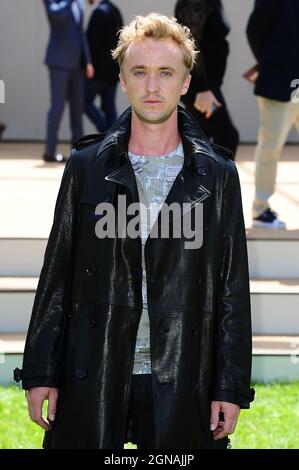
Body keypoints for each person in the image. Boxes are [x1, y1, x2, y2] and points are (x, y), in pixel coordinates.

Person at [14, 13, 254, 449]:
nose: (152, 85)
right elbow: (57, 274)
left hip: (184, 374)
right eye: (139, 72)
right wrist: (40, 372)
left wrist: (231, 385)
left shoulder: (217, 175)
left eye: (166, 72)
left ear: (185, 82)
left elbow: (231, 288)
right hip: (96, 366)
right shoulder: (86, 167)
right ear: (122, 79)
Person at [247, 0, 299, 228]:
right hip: (279, 81)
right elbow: (255, 30)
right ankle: (261, 209)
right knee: (271, 146)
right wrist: (272, 62)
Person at [175, 0, 239, 159]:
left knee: (198, 138)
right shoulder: (195, 3)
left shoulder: (211, 2)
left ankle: (200, 182)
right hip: (200, 86)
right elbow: (190, 45)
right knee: (227, 136)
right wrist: (205, 88)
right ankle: (220, 182)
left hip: (204, 85)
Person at [43, 0, 94, 163]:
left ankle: (78, 154)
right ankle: (50, 152)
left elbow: (81, 33)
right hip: (59, 62)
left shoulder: (79, 3)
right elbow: (56, 15)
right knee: (57, 107)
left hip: (77, 65)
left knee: (77, 109)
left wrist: (88, 60)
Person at [84, 0, 123, 132]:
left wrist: (86, 64)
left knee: (84, 101)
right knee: (109, 107)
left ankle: (106, 134)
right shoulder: (115, 11)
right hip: (112, 71)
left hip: (98, 72)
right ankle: (115, 140)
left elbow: (92, 43)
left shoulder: (100, 12)